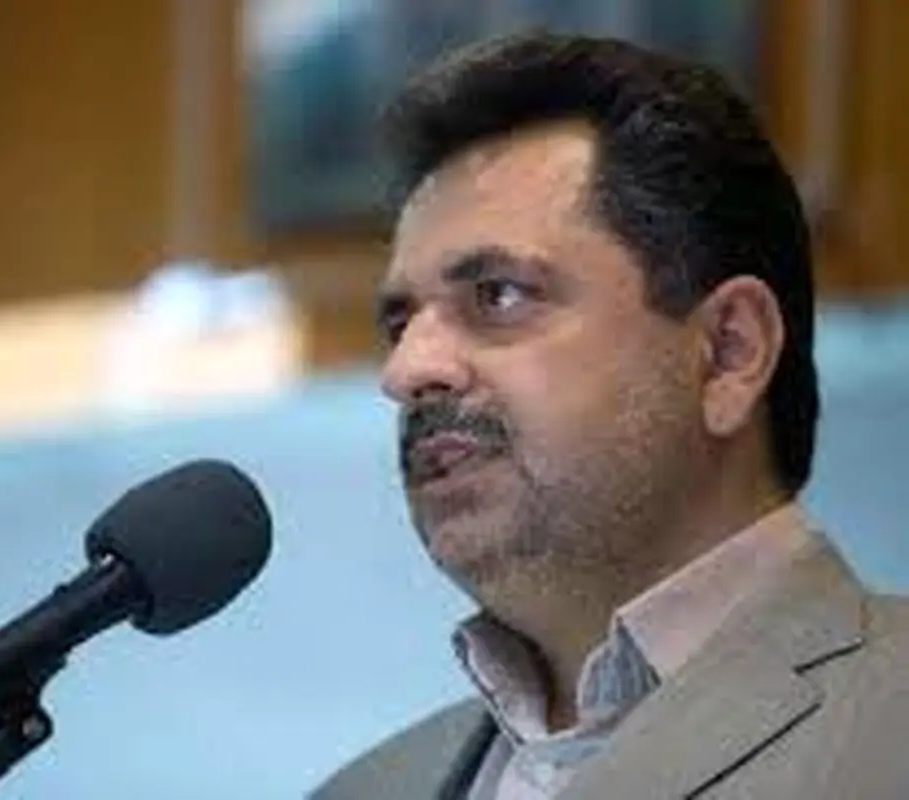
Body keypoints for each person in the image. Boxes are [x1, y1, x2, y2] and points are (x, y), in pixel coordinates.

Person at [311, 33, 909, 800]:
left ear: (728, 353)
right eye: (401, 324)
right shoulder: (362, 789)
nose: (405, 372)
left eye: (498, 295)